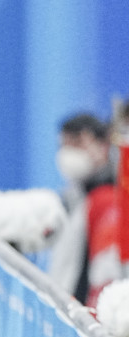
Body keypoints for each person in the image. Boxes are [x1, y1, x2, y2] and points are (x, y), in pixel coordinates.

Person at [48, 112, 121, 307]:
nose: (69, 153)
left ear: (103, 145)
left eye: (78, 144)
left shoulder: (114, 196)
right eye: (65, 146)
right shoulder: (71, 197)